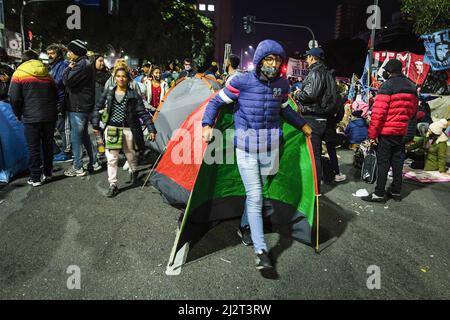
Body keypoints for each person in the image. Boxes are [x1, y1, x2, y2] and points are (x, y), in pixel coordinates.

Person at [202, 39, 312, 270]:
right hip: (246, 149)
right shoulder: (241, 82)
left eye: (277, 60)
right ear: (260, 60)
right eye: (269, 59)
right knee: (255, 196)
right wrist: (206, 124)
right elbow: (215, 102)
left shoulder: (282, 85)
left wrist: (302, 125)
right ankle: (261, 250)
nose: (273, 63)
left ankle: (244, 227)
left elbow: (285, 110)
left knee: (258, 193)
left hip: (269, 149)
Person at [92, 66, 157, 197]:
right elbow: (98, 107)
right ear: (114, 78)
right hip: (112, 129)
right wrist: (95, 123)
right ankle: (113, 184)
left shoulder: (133, 94)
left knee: (131, 154)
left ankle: (134, 171)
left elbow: (142, 112)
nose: (121, 79)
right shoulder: (109, 92)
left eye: (123, 76)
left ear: (128, 78)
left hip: (129, 129)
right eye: (118, 76)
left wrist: (151, 128)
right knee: (112, 158)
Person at [362, 59, 418, 203]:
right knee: (398, 162)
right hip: (401, 133)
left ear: (389, 71)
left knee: (383, 163)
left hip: (386, 132)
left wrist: (372, 135)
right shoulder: (412, 86)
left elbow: (378, 113)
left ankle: (379, 193)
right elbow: (412, 112)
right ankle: (396, 191)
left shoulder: (387, 86)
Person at [8, 50, 57, 186]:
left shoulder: (18, 73)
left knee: (33, 147)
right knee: (48, 145)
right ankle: (48, 173)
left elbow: (14, 97)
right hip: (49, 116)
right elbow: (55, 94)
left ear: (24, 60)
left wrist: (18, 113)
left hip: (31, 117)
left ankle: (35, 177)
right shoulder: (47, 74)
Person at [293, 47, 338, 190]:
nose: (306, 60)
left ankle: (315, 189)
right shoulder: (327, 73)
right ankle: (316, 186)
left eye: (307, 57)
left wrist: (297, 94)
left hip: (313, 118)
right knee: (316, 154)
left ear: (312, 58)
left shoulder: (316, 72)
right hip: (323, 118)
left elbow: (311, 94)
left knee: (313, 156)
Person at [63, 39, 100, 177]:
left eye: (69, 51)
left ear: (74, 52)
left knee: (76, 138)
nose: (68, 54)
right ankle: (94, 162)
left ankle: (78, 167)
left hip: (78, 106)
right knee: (83, 135)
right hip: (83, 105)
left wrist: (67, 69)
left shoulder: (80, 65)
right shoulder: (86, 63)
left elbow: (66, 81)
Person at [46, 43, 72, 162]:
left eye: (52, 53)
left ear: (59, 54)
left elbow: (60, 82)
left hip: (62, 101)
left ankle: (68, 152)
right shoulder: (52, 66)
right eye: (48, 54)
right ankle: (66, 149)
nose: (50, 56)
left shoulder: (63, 65)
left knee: (64, 128)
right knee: (59, 127)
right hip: (54, 101)